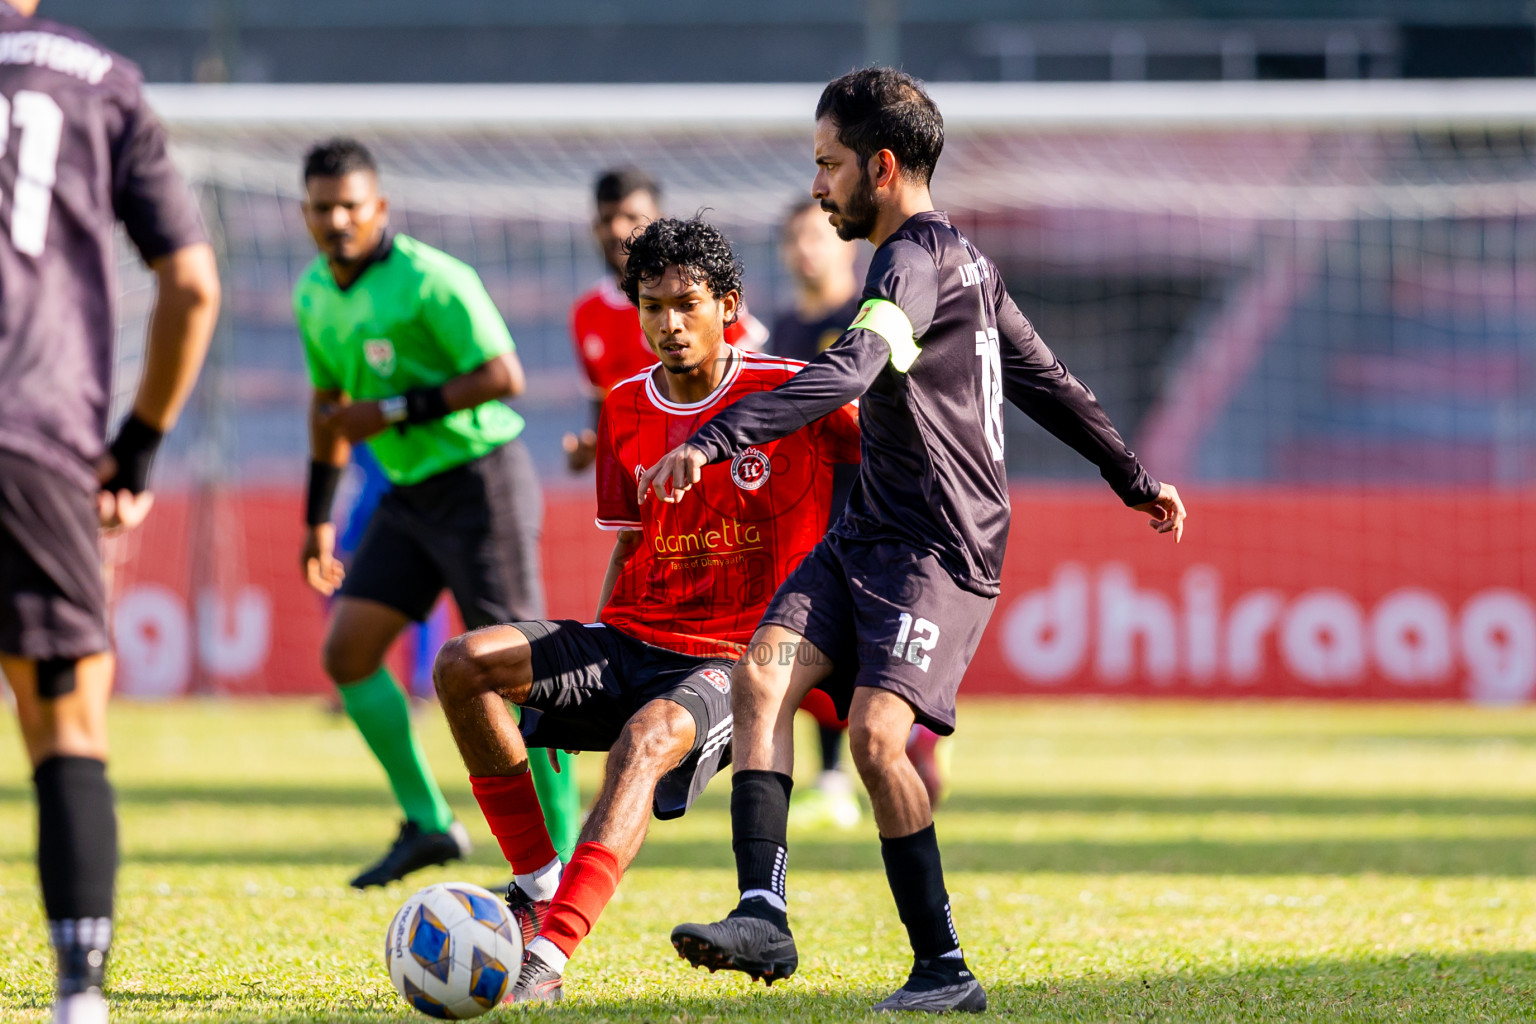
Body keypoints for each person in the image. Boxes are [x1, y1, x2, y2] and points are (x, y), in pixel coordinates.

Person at [654, 69, 1187, 1013]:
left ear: (882, 166)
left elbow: (858, 365)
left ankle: (942, 966)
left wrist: (718, 435)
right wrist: (1134, 478)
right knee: (765, 672)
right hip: (867, 533)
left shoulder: (911, 264)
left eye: (829, 166)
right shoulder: (962, 263)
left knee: (874, 737)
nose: (819, 188)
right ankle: (762, 912)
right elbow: (1051, 380)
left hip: (940, 549)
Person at [431, 216, 859, 1004]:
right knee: (462, 665)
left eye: (686, 304)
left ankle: (548, 960)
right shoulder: (625, 405)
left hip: (732, 659)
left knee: (647, 737)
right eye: (651, 306)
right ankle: (534, 886)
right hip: (628, 637)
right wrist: (573, 680)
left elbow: (892, 454)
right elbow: (631, 546)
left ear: (728, 305)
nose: (668, 324)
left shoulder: (793, 389)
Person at [0, 3, 222, 1021]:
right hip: (34, 433)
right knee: (65, 718)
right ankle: (78, 995)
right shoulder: (101, 81)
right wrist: (137, 441)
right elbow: (190, 282)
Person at [292, 138, 576, 888]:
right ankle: (428, 822)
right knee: (347, 653)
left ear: (379, 206)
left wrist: (392, 410)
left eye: (351, 205)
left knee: (524, 677)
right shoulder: (312, 293)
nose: (338, 220)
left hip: (483, 484)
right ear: (305, 214)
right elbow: (328, 412)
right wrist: (317, 519)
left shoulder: (433, 279)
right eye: (323, 209)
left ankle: (570, 857)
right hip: (409, 493)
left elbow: (504, 374)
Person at [773, 197, 951, 829]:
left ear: (846, 243)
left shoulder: (876, 311)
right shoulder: (784, 331)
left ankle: (914, 734)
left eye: (815, 236)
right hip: (815, 502)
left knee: (863, 639)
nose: (804, 250)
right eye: (793, 239)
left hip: (884, 500)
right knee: (810, 635)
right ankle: (830, 777)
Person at [562, 167, 768, 472]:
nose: (618, 230)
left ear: (659, 219)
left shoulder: (704, 296)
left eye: (631, 217)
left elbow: (753, 379)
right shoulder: (586, 313)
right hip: (644, 483)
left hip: (713, 465)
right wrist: (589, 449)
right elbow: (604, 411)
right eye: (607, 219)